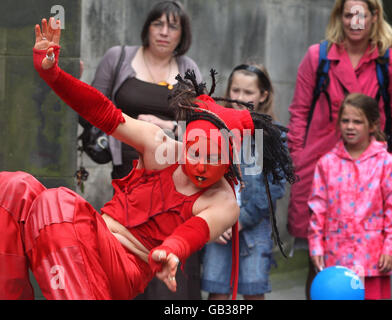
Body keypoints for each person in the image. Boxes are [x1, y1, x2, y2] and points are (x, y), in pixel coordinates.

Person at [0, 17, 295, 300]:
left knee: (57, 202)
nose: (201, 165)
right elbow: (103, 112)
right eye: (195, 152)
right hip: (92, 237)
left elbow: (194, 231)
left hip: (123, 267)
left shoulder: (224, 201)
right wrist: (53, 75)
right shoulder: (160, 147)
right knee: (14, 188)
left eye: (214, 157)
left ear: (230, 157)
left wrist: (172, 250)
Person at [286, 0, 392, 299]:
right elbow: (298, 112)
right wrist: (297, 160)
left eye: (362, 14)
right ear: (339, 17)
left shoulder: (389, 61)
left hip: (372, 177)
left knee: (371, 269)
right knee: (317, 263)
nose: (355, 21)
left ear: (374, 17)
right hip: (318, 169)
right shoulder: (317, 58)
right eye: (348, 14)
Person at [80, 1, 203, 300]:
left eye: (172, 26)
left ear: (182, 34)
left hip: (175, 184)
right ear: (146, 27)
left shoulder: (189, 69)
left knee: (169, 269)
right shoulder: (118, 57)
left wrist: (168, 129)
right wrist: (77, 80)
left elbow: (204, 129)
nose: (164, 32)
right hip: (129, 179)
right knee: (126, 259)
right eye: (157, 24)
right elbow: (92, 109)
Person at [308, 93, 392, 300]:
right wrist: (316, 245)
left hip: (373, 258)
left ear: (372, 125)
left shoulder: (387, 163)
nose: (350, 126)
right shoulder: (326, 163)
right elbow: (317, 209)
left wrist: (391, 247)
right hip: (336, 257)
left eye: (357, 121)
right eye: (345, 120)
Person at [201, 63, 287, 300]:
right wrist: (213, 220)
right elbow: (200, 178)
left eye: (248, 93)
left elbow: (274, 188)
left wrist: (239, 220)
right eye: (235, 90)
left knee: (253, 290)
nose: (240, 98)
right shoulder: (213, 130)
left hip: (254, 225)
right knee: (217, 290)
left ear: (263, 95)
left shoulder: (273, 137)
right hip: (218, 225)